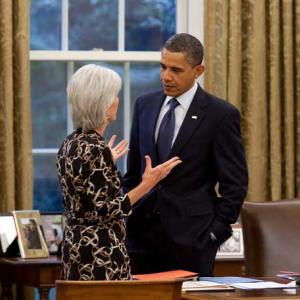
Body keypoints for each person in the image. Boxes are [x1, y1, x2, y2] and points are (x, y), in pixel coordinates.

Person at [123, 33, 248, 276]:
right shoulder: (144, 105)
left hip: (194, 242)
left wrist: (215, 233)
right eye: (162, 67)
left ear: (198, 70)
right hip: (140, 240)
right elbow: (133, 173)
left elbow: (235, 183)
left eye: (176, 70)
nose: (165, 76)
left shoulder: (220, 115)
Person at [56, 64, 181, 280]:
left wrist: (106, 161)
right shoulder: (96, 148)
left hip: (75, 248)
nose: (117, 100)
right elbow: (105, 210)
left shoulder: (70, 142)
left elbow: (82, 193)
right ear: (103, 104)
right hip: (100, 254)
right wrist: (147, 184)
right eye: (114, 95)